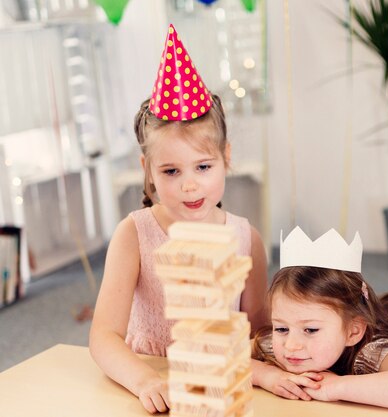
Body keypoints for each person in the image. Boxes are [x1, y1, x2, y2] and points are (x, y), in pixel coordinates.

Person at [89, 25, 267, 414]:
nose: (189, 186)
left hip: (215, 395)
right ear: (148, 170)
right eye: (171, 172)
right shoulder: (134, 234)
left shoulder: (245, 238)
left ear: (227, 157)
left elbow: (257, 333)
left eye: (203, 166)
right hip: (151, 386)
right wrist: (144, 380)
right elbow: (104, 336)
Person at [252, 227, 388, 411]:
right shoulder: (277, 341)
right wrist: (266, 376)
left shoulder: (371, 351)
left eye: (311, 330)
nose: (291, 345)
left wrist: (336, 387)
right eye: (281, 328)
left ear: (352, 332)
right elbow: (223, 355)